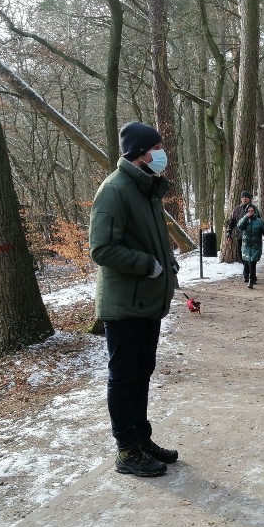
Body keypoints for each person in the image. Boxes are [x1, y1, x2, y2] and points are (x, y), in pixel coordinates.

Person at [89, 121, 181, 477]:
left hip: (146, 302)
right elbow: (102, 248)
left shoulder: (145, 188)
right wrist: (148, 265)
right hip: (125, 304)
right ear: (141, 153)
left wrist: (165, 259)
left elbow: (144, 238)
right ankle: (127, 449)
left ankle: (141, 439)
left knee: (142, 371)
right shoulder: (115, 190)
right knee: (125, 376)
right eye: (156, 147)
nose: (162, 153)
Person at [237, 203, 264, 288]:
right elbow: (239, 226)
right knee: (247, 261)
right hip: (246, 245)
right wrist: (246, 217)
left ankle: (251, 280)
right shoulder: (244, 220)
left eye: (252, 211)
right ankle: (248, 277)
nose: (250, 212)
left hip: (256, 245)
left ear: (255, 211)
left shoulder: (260, 221)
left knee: (253, 262)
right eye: (249, 211)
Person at [226, 190, 255, 278]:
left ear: (249, 199)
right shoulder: (236, 209)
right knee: (241, 254)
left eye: (246, 197)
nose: (245, 198)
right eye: (243, 197)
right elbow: (231, 222)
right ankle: (248, 270)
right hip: (239, 235)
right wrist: (229, 233)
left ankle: (248, 274)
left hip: (251, 236)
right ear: (241, 199)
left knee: (250, 255)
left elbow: (258, 221)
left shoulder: (253, 209)